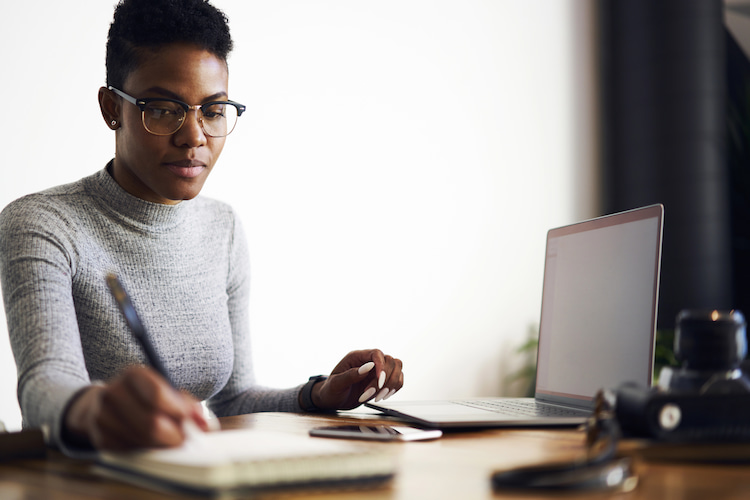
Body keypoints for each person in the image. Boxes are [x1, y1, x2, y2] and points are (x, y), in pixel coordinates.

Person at [0, 0, 403, 454]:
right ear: (111, 107)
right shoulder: (43, 224)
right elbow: (43, 388)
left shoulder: (222, 228)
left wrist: (318, 394)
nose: (194, 136)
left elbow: (233, 399)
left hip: (190, 477)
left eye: (212, 111)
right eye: (165, 109)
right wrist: (98, 409)